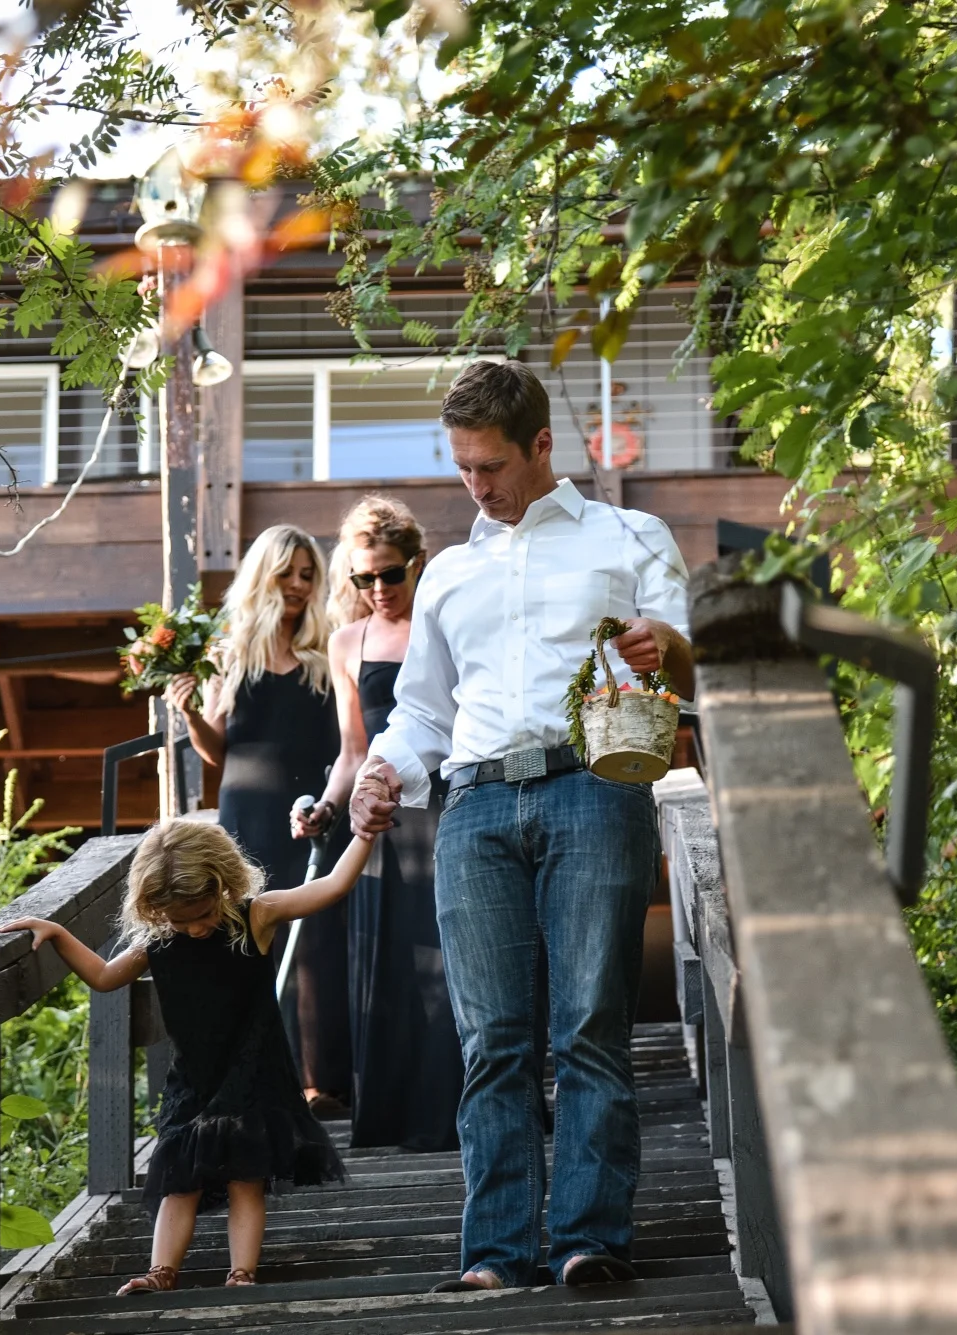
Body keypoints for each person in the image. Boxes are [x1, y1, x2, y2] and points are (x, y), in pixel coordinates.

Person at [349, 360, 694, 1292]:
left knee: (588, 1026)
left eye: (491, 465)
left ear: (542, 444)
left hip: (595, 786)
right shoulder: (449, 574)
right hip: (475, 806)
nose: (476, 485)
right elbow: (423, 712)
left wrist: (666, 648)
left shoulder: (629, 535)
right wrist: (382, 769)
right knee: (493, 1039)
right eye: (462, 467)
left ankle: (588, 1239)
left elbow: (686, 663)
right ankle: (496, 1251)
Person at [0, 819, 372, 1293]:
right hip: (192, 1080)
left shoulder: (254, 917)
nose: (195, 928)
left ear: (223, 885)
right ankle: (161, 1272)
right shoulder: (157, 941)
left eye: (204, 914)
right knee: (179, 1178)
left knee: (245, 1178)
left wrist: (365, 833)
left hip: (253, 1073)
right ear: (156, 909)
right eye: (180, 920)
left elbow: (332, 886)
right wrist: (57, 933)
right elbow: (105, 976)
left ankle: (241, 1274)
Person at [294, 495, 464, 1152]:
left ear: (416, 562)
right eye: (364, 578)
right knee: (392, 966)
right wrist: (326, 806)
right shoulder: (348, 641)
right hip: (380, 823)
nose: (378, 589)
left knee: (455, 959)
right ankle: (395, 1114)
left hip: (448, 807)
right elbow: (353, 750)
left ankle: (465, 1109)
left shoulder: (443, 624)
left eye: (390, 573)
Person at [168, 523, 350, 1111]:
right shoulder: (230, 653)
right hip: (247, 813)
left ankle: (321, 1080)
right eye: (286, 572)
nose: (297, 584)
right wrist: (190, 714)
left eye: (308, 575)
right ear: (262, 576)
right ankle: (263, 1080)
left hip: (311, 812)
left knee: (318, 944)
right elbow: (216, 750)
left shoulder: (328, 651)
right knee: (250, 940)